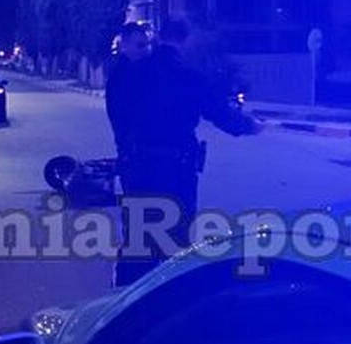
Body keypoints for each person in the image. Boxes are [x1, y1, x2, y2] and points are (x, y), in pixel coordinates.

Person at [114, 19, 263, 286]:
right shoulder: (188, 75)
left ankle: (124, 301)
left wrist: (126, 153)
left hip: (137, 167)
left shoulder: (133, 71)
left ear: (160, 36)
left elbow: (118, 115)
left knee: (136, 240)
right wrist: (251, 126)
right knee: (176, 240)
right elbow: (220, 113)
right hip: (176, 170)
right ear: (186, 40)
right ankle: (170, 300)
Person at [105, 22, 151, 158]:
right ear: (125, 45)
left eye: (148, 45)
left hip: (141, 147)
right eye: (140, 45)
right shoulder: (122, 74)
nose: (146, 50)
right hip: (134, 148)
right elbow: (121, 113)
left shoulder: (143, 69)